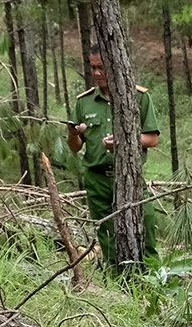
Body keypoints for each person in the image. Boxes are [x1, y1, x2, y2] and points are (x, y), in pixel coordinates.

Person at [67, 51, 159, 268]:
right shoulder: (84, 102)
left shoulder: (138, 97)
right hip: (97, 179)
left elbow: (152, 139)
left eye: (102, 68)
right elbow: (75, 147)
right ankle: (119, 278)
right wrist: (73, 134)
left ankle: (153, 277)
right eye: (93, 68)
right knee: (108, 235)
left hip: (129, 176)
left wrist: (124, 141)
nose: (97, 73)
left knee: (144, 222)